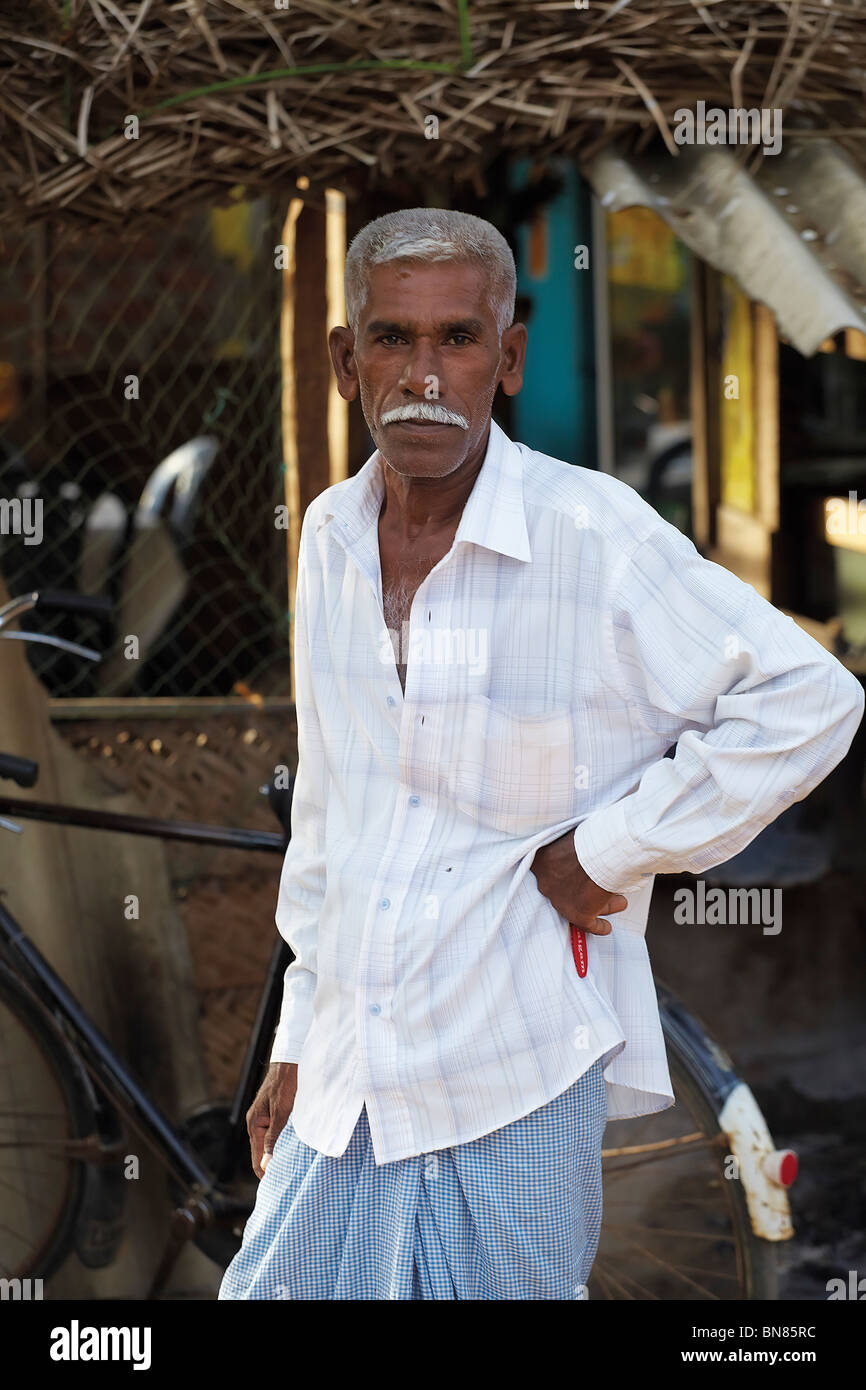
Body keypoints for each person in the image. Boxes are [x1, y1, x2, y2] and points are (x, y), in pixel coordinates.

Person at [218, 207, 864, 1301]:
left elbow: (806, 696)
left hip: (510, 1064)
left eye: (457, 340)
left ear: (507, 358)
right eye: (391, 339)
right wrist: (293, 1035)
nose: (423, 374)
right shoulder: (328, 537)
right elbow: (332, 816)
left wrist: (608, 847)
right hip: (349, 1069)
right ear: (344, 359)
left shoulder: (590, 536)